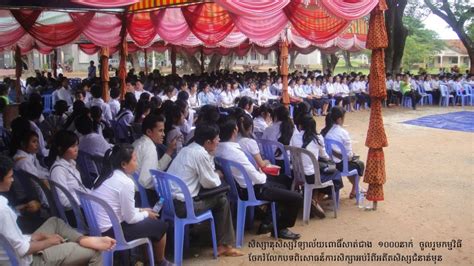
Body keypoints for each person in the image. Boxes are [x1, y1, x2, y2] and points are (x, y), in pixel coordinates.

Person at [0, 154, 116, 265]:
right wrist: (48, 242)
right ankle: (84, 245)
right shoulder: (3, 210)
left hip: (20, 247)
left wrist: (33, 237)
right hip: (27, 261)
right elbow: (21, 250)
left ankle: (83, 239)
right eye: (10, 177)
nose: (12, 180)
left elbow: (10, 239)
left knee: (55, 222)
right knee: (95, 251)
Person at [217, 118, 303, 239]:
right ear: (235, 131)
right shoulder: (234, 152)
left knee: (283, 183)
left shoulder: (218, 148)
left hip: (235, 189)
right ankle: (280, 227)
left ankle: (268, 219)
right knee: (296, 197)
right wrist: (262, 173)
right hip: (253, 190)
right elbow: (258, 179)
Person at [167, 123, 243, 257]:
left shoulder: (187, 149)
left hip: (169, 204)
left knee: (218, 198)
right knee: (222, 200)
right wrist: (217, 175)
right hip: (183, 207)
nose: (219, 141)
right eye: (217, 139)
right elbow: (210, 183)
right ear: (208, 142)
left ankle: (219, 240)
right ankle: (225, 245)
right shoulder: (200, 154)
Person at [91, 144, 172, 266]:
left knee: (149, 223)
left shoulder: (102, 177)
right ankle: (160, 261)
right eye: (134, 160)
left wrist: (141, 210)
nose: (137, 163)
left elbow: (118, 207)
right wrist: (145, 214)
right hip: (114, 232)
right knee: (160, 226)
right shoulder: (125, 182)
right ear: (123, 164)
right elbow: (130, 218)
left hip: (100, 228)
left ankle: (149, 260)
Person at [291, 115, 343, 218]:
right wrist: (331, 161)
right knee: (335, 174)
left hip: (296, 174)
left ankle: (312, 199)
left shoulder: (294, 136)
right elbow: (324, 156)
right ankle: (315, 200)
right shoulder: (318, 138)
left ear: (301, 126)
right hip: (311, 177)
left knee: (317, 170)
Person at [321, 106, 364, 201]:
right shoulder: (343, 133)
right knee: (359, 164)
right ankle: (355, 190)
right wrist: (352, 156)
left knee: (349, 163)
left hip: (327, 163)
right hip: (339, 165)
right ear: (340, 119)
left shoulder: (324, 131)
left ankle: (356, 188)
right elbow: (348, 156)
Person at [132, 114, 177, 205]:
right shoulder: (150, 148)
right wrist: (163, 185)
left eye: (163, 131)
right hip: (140, 196)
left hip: (134, 192)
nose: (163, 134)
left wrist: (169, 152)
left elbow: (154, 168)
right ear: (149, 132)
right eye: (160, 131)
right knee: (169, 199)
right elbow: (145, 181)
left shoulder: (138, 142)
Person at [48, 130, 90, 214]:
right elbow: (63, 200)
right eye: (73, 146)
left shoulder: (70, 163)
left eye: (77, 145)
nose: (76, 149)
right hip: (75, 212)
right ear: (61, 148)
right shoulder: (58, 170)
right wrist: (84, 201)